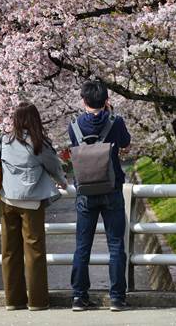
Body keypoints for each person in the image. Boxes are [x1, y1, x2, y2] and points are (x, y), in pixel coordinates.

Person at [68, 80, 131, 312]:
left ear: (83, 101)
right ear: (106, 101)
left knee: (82, 246)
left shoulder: (73, 124)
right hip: (112, 189)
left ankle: (78, 297)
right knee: (115, 245)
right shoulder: (116, 122)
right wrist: (111, 115)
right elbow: (125, 143)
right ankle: (116, 298)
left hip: (85, 191)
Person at [0, 102, 68, 311]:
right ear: (35, 119)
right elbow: (54, 165)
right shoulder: (38, 143)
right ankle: (37, 301)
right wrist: (62, 180)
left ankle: (13, 301)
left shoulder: (5, 140)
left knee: (9, 252)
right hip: (31, 202)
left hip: (7, 200)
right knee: (34, 252)